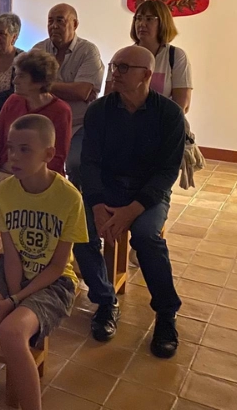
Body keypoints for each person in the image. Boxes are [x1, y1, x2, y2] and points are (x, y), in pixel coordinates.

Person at [0, 115, 88, 410]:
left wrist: (15, 300)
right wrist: (13, 295)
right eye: (11, 148)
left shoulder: (69, 198)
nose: (14, 157)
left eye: (25, 150)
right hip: (10, 272)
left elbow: (58, 266)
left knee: (12, 332)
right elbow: (11, 254)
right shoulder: (4, 192)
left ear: (48, 154)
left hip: (53, 281)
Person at [73, 46, 185, 359]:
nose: (115, 73)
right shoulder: (100, 111)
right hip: (107, 189)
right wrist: (96, 205)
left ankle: (165, 314)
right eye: (114, 66)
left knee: (148, 237)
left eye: (124, 68)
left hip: (147, 193)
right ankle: (106, 301)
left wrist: (131, 211)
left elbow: (166, 173)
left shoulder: (170, 115)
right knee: (79, 231)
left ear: (147, 75)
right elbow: (89, 164)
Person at [32, 3, 104, 190]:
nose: (54, 26)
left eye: (60, 21)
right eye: (50, 21)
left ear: (75, 24)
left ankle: (77, 205)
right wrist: (71, 90)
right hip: (44, 123)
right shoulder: (38, 51)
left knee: (76, 165)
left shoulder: (88, 51)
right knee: (34, 162)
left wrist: (43, 85)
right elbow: (28, 88)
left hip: (78, 125)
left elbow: (82, 91)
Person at [0, 50, 72, 177]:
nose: (14, 81)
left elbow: (56, 160)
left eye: (21, 76)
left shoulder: (61, 111)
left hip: (38, 180)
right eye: (15, 75)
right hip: (3, 173)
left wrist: (23, 175)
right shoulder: (12, 101)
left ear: (39, 82)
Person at [123, 0, 192, 113]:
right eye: (138, 18)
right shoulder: (124, 56)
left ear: (163, 23)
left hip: (164, 124)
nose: (142, 24)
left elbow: (182, 105)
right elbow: (111, 97)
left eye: (149, 19)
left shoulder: (175, 56)